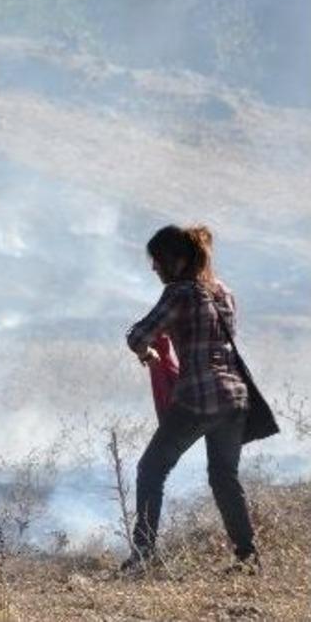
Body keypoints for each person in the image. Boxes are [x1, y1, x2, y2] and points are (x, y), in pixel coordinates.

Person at [123, 225, 258, 573]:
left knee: (151, 469)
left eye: (157, 260)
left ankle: (143, 555)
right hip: (235, 396)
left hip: (199, 397)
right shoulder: (223, 292)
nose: (154, 268)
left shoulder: (179, 293)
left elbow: (139, 334)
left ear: (176, 260)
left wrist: (150, 355)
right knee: (224, 476)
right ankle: (248, 557)